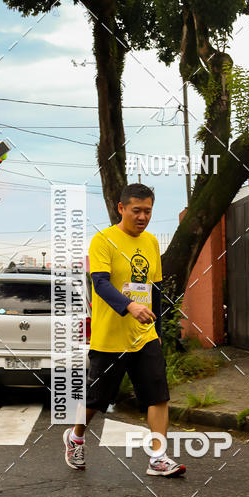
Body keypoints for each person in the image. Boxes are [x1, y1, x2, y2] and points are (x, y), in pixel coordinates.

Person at [63, 183, 185, 477]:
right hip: (110, 338)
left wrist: (158, 325)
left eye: (148, 211)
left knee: (157, 395)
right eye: (136, 210)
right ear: (121, 208)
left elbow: (154, 286)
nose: (142, 217)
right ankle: (76, 435)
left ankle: (158, 457)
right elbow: (101, 283)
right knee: (97, 399)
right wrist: (130, 306)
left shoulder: (152, 242)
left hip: (145, 336)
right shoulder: (103, 240)